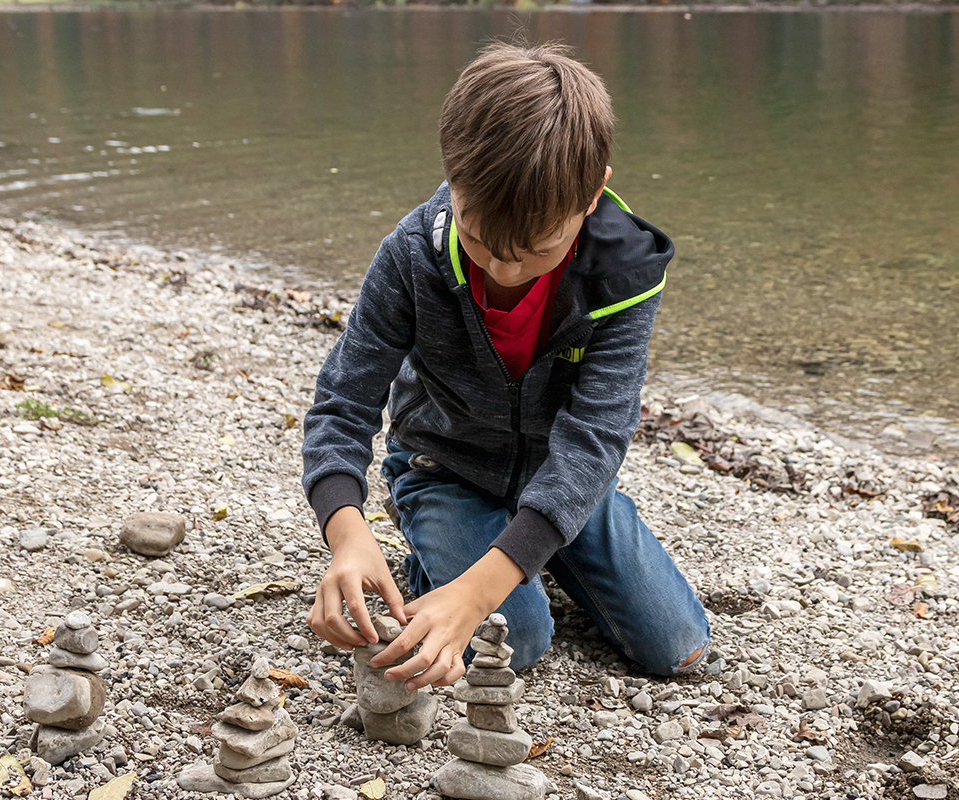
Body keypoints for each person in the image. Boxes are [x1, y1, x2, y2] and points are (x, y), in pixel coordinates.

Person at [302, 43, 709, 692]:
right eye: (478, 241)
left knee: (679, 647)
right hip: (445, 468)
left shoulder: (623, 274)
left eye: (536, 251)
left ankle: (536, 536)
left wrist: (486, 581)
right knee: (518, 641)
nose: (503, 270)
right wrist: (346, 531)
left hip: (561, 470)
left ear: (592, 195)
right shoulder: (411, 255)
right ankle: (464, 550)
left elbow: (597, 434)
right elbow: (342, 404)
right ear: (453, 179)